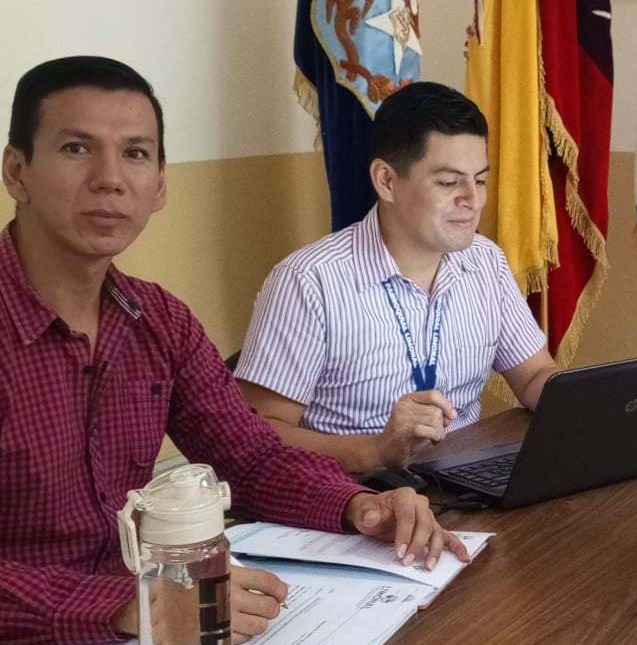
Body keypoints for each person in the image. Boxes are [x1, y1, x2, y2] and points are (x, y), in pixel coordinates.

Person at [0, 56, 466, 645]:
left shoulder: (158, 321)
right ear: (17, 172)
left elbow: (252, 459)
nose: (109, 179)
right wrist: (135, 605)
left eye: (135, 154)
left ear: (159, 186)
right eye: (76, 148)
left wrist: (358, 505)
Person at [234, 82, 556, 472]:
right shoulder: (308, 281)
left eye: (480, 180)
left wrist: (596, 408)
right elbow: (257, 433)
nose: (473, 200)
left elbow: (535, 375)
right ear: (386, 181)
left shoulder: (486, 261)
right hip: (354, 491)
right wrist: (375, 451)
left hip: (464, 482)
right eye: (448, 182)